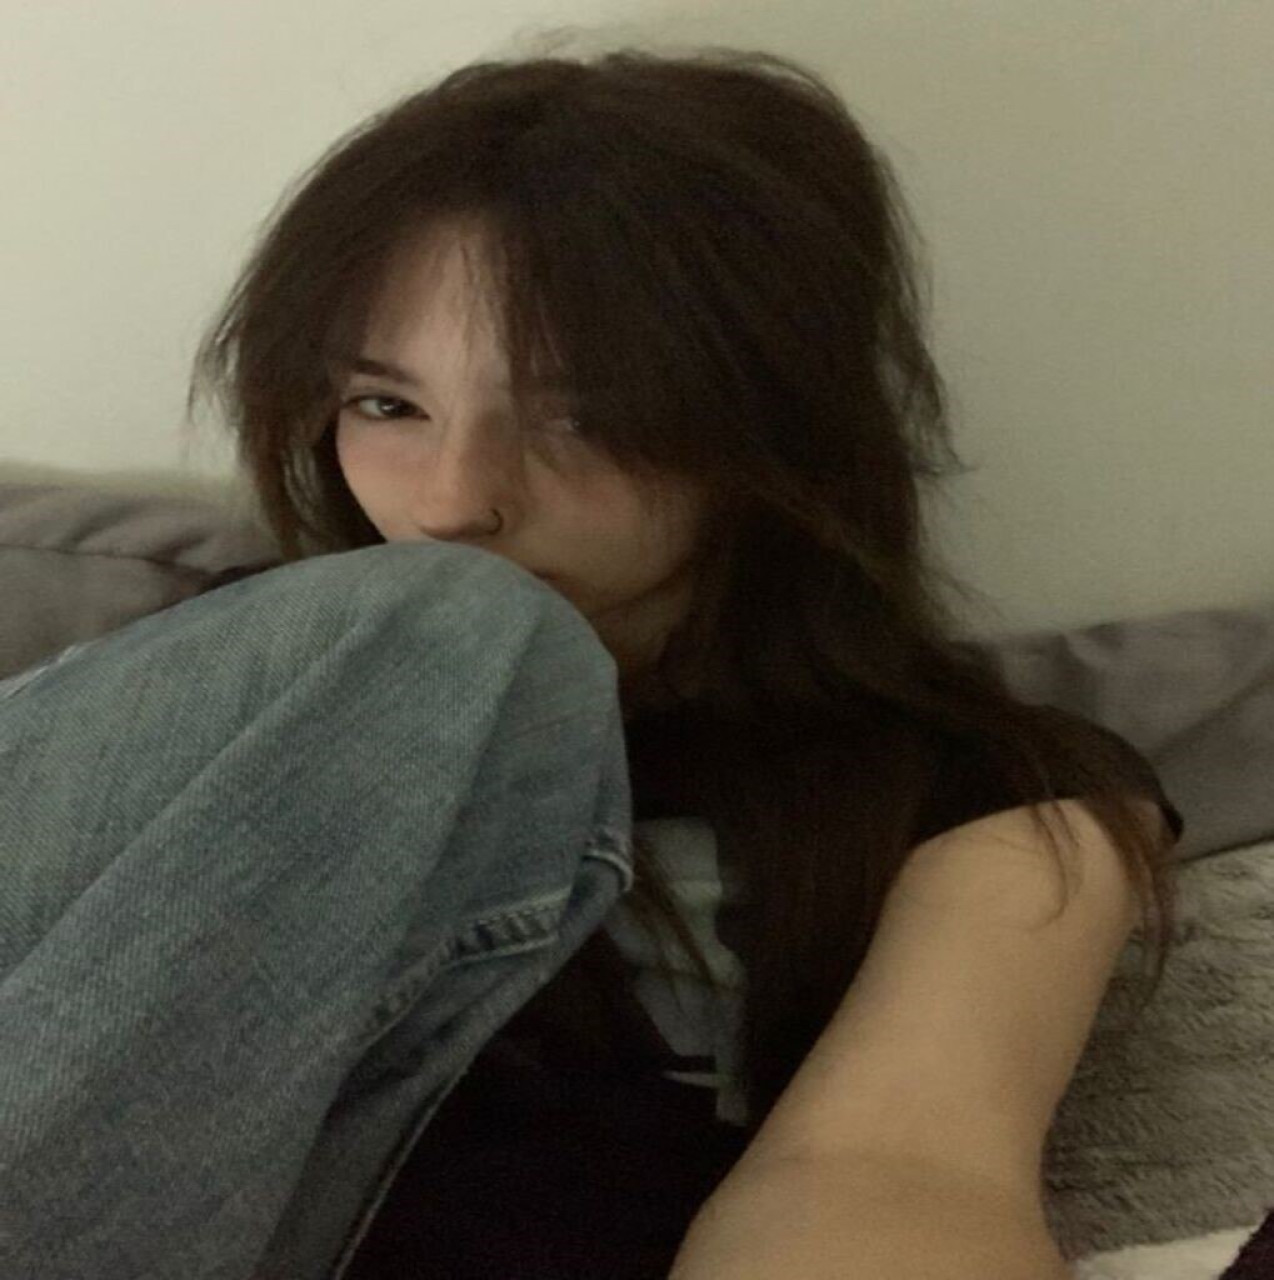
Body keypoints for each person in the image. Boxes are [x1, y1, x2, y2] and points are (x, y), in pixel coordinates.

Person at [1, 42, 1184, 1280]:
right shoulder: (237, 666)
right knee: (453, 628)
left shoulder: (986, 790)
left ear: (772, 424)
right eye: (387, 405)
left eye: (580, 415)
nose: (453, 501)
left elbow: (894, 1169)